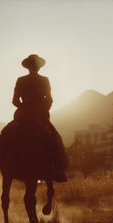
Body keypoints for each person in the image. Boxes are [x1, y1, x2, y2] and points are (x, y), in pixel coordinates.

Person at [12, 54, 68, 182]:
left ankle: (11, 166)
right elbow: (49, 99)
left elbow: (15, 100)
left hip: (23, 114)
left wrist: (23, 108)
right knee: (55, 139)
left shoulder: (20, 80)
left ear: (28, 67)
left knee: (11, 136)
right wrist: (43, 109)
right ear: (38, 67)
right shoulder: (44, 80)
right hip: (39, 115)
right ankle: (58, 170)